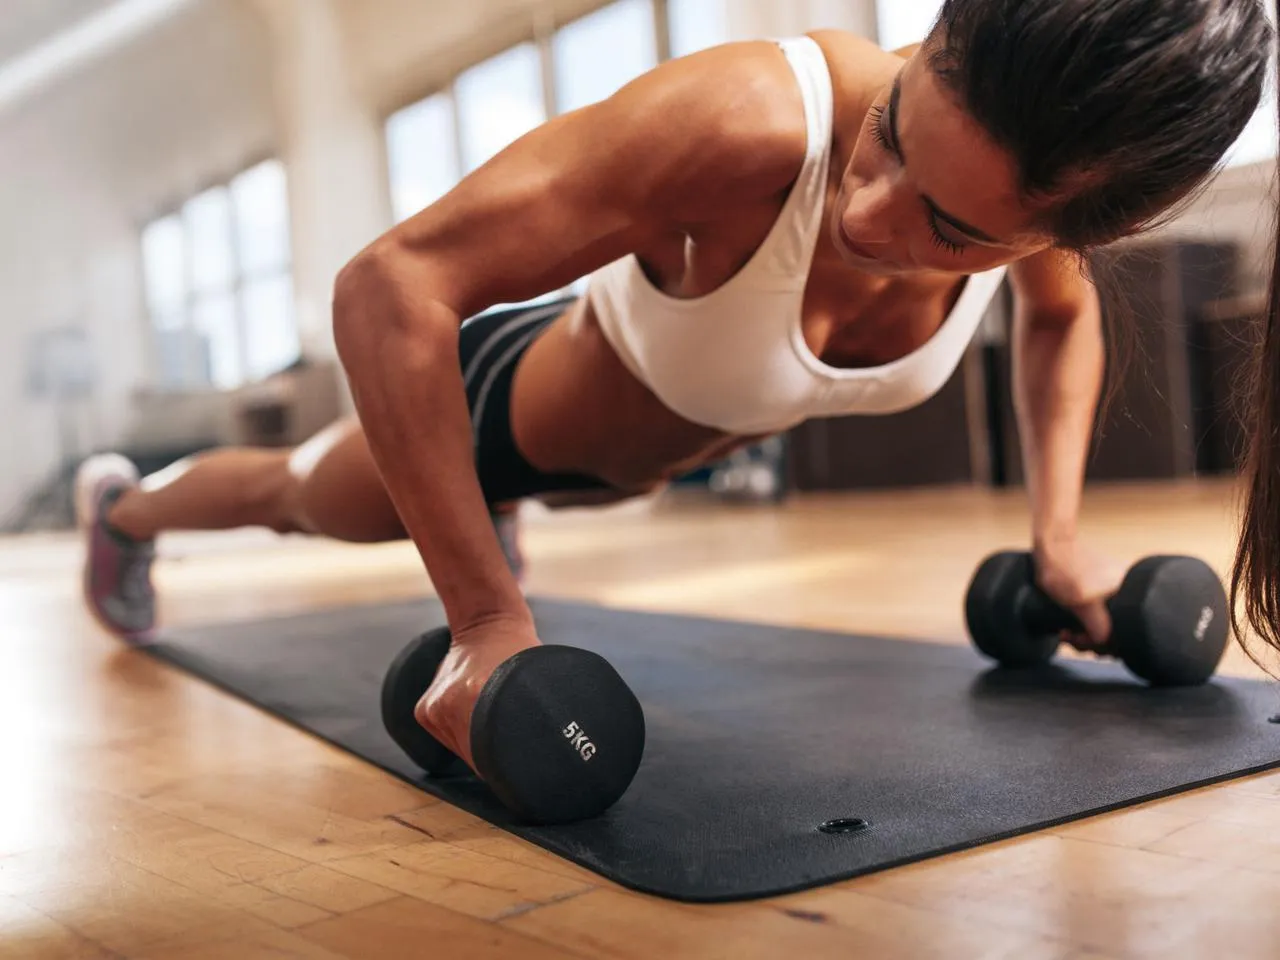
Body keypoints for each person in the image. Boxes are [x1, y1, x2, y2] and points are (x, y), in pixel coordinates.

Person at [77, 0, 1274, 771]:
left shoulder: (1048, 207)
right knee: (303, 494)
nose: (865, 214)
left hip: (645, 453)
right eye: (893, 134)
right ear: (931, 43)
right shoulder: (747, 121)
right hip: (517, 411)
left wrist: (1054, 545)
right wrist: (485, 621)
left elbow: (1061, 326)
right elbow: (388, 284)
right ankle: (124, 510)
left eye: (952, 229)